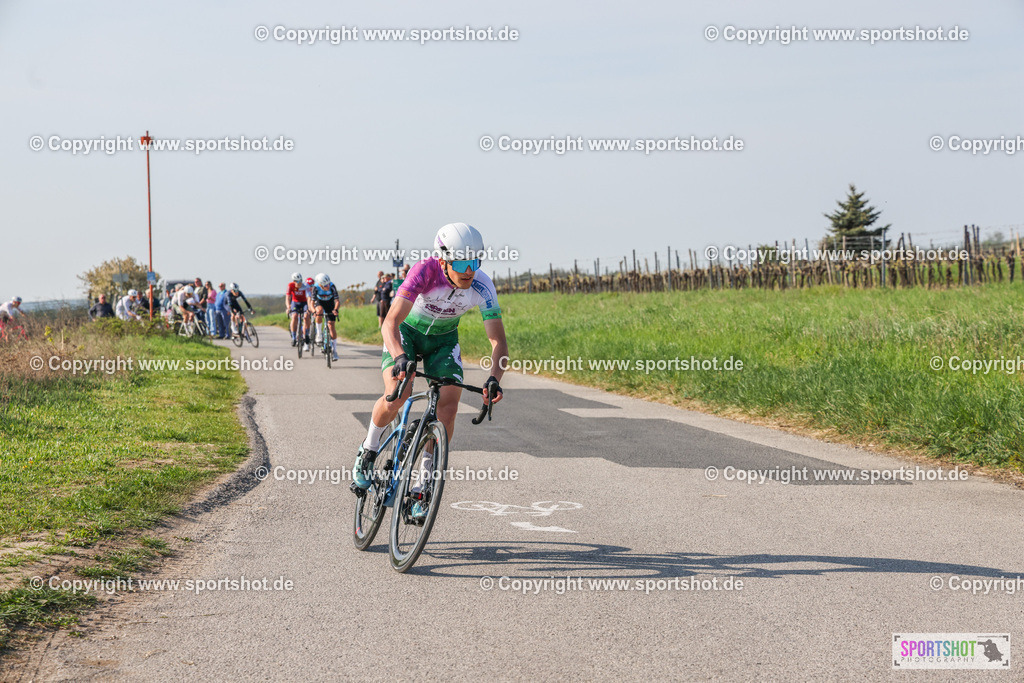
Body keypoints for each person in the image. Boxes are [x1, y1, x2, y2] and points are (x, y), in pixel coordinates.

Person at [351, 223, 508, 519]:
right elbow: (390, 323)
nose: (469, 271)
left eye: (475, 262)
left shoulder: (482, 285)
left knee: (448, 406)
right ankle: (368, 451)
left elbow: (499, 341)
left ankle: (423, 486)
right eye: (461, 263)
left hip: (443, 342)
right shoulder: (424, 271)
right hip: (407, 334)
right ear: (444, 259)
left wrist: (493, 380)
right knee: (399, 392)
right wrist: (399, 356)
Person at [310, 273, 340, 361]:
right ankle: (319, 334)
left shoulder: (332, 286)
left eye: (328, 284)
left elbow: (337, 301)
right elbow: (312, 303)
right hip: (320, 303)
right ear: (320, 284)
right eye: (325, 285)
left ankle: (334, 351)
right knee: (319, 311)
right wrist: (314, 311)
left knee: (331, 326)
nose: (327, 286)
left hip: (330, 304)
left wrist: (335, 309)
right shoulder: (316, 287)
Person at [286, 272, 311, 350]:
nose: (299, 283)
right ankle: (294, 337)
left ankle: (306, 334)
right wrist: (288, 307)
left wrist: (309, 308)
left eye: (300, 281)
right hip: (295, 303)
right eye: (296, 281)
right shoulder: (290, 285)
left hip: (304, 303)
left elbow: (309, 298)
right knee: (294, 316)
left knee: (306, 316)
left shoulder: (306, 286)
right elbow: (288, 297)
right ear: (293, 281)